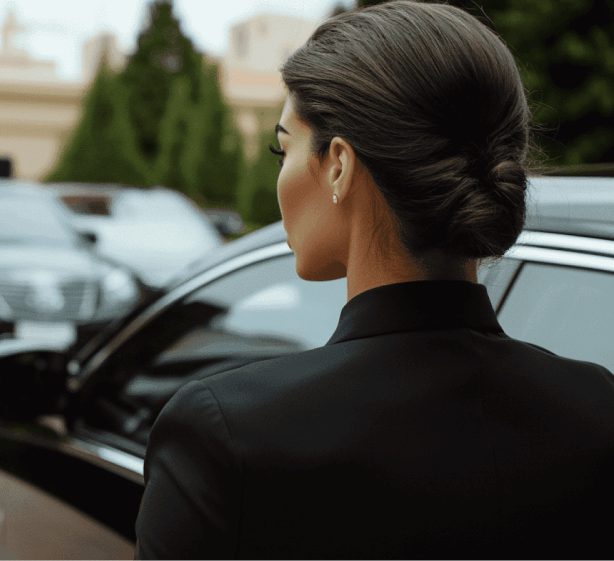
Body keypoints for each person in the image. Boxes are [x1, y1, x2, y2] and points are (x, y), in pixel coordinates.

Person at [134, 2, 614, 559]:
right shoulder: (597, 412)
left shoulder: (224, 435)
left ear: (338, 164)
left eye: (281, 147)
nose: (278, 176)